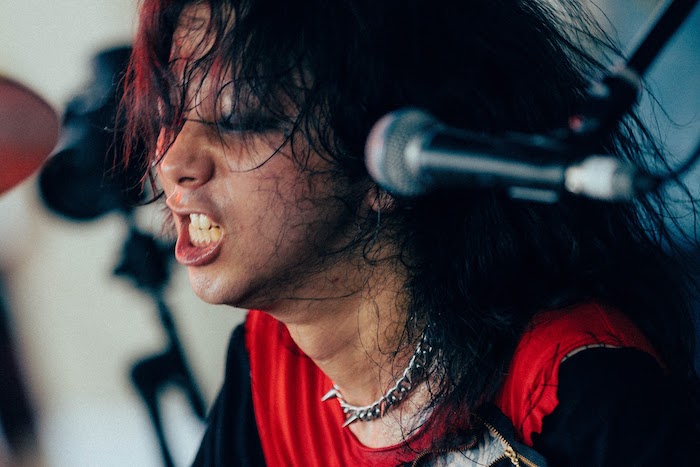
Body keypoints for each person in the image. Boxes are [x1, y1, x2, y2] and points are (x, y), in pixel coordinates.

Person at [121, 0, 700, 465]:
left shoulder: (573, 389)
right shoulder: (269, 368)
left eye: (237, 118)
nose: (171, 160)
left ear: (391, 160)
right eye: (169, 115)